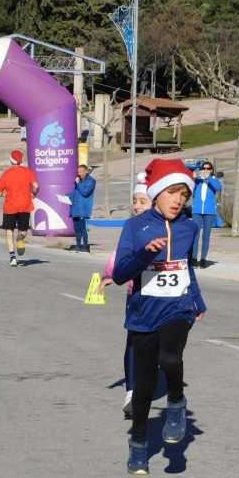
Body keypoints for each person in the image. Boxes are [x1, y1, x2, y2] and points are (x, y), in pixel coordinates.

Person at [112, 158, 207, 475]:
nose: (179, 200)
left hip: (177, 309)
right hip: (144, 314)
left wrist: (197, 300)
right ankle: (138, 445)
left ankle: (177, 402)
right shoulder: (135, 227)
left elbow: (186, 268)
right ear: (156, 194)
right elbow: (122, 273)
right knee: (144, 387)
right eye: (172, 193)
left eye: (184, 194)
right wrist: (145, 254)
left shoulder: (188, 227)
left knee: (170, 358)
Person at [96, 173, 152, 417]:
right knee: (134, 340)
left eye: (142, 201)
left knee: (157, 346)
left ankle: (147, 386)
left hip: (164, 297)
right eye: (135, 200)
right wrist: (111, 274)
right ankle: (132, 391)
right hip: (136, 293)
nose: (137, 206)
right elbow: (120, 254)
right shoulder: (132, 226)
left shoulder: (167, 227)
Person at [0, 150, 39, 267]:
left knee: (9, 231)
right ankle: (21, 238)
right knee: (23, 230)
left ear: (11, 160)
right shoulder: (28, 172)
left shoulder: (6, 174)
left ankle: (13, 258)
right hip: (24, 205)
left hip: (10, 206)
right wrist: (33, 194)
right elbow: (36, 186)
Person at [191, 162, 222, 269]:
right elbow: (190, 189)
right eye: (203, 168)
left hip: (210, 212)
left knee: (206, 236)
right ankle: (194, 259)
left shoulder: (213, 179)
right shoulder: (198, 181)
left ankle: (203, 259)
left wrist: (208, 176)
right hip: (197, 210)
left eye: (208, 168)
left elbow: (218, 187)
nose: (205, 170)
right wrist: (193, 178)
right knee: (195, 235)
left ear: (212, 170)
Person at [67, 164, 96, 253]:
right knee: (76, 227)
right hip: (76, 207)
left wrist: (78, 183)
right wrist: (67, 196)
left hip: (83, 208)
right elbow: (75, 193)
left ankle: (85, 245)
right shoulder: (77, 181)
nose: (79, 174)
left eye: (81, 172)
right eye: (78, 172)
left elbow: (85, 192)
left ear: (86, 171)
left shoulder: (90, 181)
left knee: (83, 227)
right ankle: (78, 245)